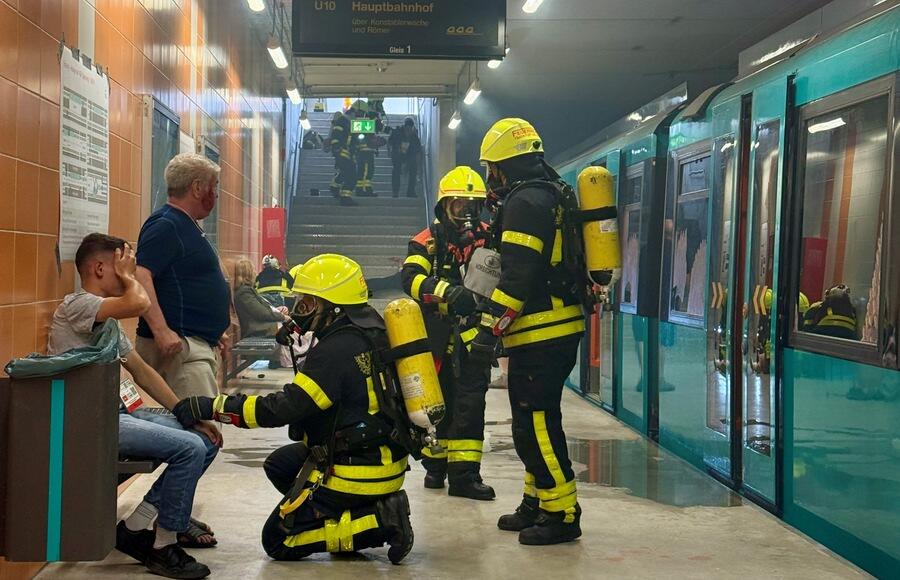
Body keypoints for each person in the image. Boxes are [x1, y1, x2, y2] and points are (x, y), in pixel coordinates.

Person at [172, 254, 414, 564]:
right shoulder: (369, 328)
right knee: (280, 465)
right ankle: (350, 512)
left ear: (331, 305)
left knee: (279, 541)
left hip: (360, 469)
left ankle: (378, 520)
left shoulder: (335, 351)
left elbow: (284, 408)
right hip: (382, 455)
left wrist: (213, 406)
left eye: (308, 302)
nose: (301, 307)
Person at [48, 233, 221, 580]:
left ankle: (137, 526)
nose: (131, 270)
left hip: (117, 416)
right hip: (87, 423)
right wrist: (131, 278)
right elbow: (140, 303)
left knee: (206, 438)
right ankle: (163, 546)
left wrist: (186, 412)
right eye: (123, 263)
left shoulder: (107, 322)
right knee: (188, 448)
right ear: (99, 268)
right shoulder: (77, 306)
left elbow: (141, 371)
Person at [472, 118, 586, 545]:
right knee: (532, 420)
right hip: (551, 328)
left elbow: (517, 277)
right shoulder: (549, 192)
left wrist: (488, 331)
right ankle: (536, 503)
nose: (490, 178)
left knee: (535, 423)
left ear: (503, 166)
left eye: (491, 168)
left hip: (543, 330)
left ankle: (561, 513)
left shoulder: (525, 203)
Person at [400, 166, 495, 500]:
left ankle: (465, 476)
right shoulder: (426, 241)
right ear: (444, 207)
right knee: (435, 406)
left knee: (471, 406)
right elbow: (410, 279)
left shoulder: (491, 237)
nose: (466, 212)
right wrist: (447, 292)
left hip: (475, 339)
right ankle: (435, 467)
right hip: (435, 339)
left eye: (472, 205)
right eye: (458, 205)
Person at [134, 153, 232, 400]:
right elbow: (141, 275)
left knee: (203, 427)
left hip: (193, 341)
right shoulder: (166, 225)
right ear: (198, 188)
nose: (216, 195)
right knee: (202, 428)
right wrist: (161, 331)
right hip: (181, 348)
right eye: (214, 186)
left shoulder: (184, 224)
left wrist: (212, 330)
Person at [328, 111, 357, 205]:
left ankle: (334, 186)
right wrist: (337, 148)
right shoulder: (343, 122)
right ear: (352, 114)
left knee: (344, 173)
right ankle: (345, 197)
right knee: (351, 176)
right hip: (343, 153)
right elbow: (336, 135)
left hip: (344, 153)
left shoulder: (345, 123)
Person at [388, 118, 421, 198]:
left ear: (412, 128)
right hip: (397, 155)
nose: (408, 131)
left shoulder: (414, 136)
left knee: (413, 169)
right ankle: (395, 192)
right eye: (407, 128)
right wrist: (391, 151)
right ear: (404, 126)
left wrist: (414, 162)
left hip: (409, 156)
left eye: (410, 129)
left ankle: (411, 192)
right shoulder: (397, 132)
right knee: (396, 171)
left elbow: (417, 150)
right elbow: (390, 142)